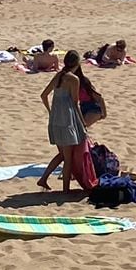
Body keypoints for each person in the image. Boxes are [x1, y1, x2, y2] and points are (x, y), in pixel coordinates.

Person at [38, 53, 92, 192]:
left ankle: (43, 179)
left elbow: (44, 95)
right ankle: (65, 190)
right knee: (67, 158)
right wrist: (82, 122)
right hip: (67, 120)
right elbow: (75, 103)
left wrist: (51, 111)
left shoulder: (58, 76)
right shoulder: (73, 79)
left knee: (63, 154)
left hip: (56, 119)